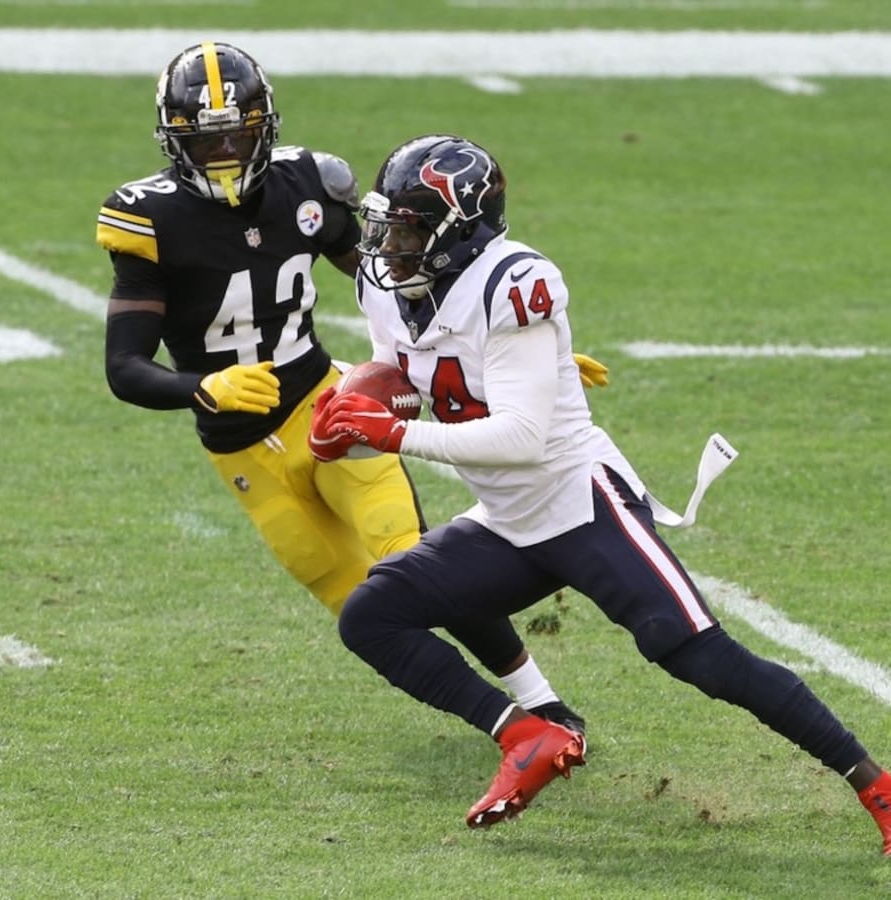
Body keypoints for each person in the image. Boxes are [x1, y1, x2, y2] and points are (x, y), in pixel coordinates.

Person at [309, 132, 891, 853]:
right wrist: (354, 414)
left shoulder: (512, 282)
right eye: (388, 225)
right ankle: (528, 734)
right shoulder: (388, 290)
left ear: (460, 230)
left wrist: (394, 436)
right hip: (508, 518)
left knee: (698, 656)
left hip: (580, 502)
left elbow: (520, 437)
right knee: (372, 614)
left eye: (411, 227)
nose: (391, 244)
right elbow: (397, 366)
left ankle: (876, 785)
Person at [95, 42, 608, 729]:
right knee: (361, 608)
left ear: (265, 126)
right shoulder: (150, 219)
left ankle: (543, 702)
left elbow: (404, 278)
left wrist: (513, 347)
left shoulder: (306, 184)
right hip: (241, 453)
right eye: (205, 137)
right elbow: (124, 368)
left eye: (237, 132)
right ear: (172, 139)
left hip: (330, 408)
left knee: (415, 560)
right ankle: (506, 725)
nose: (223, 151)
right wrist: (200, 388)